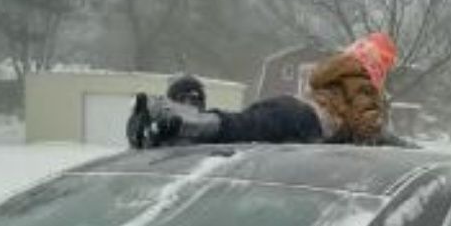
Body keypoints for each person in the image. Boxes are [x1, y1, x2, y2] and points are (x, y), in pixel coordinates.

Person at [129, 32, 411, 148]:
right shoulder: (363, 132)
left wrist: (180, 123)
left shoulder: (303, 113)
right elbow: (394, 146)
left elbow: (240, 126)